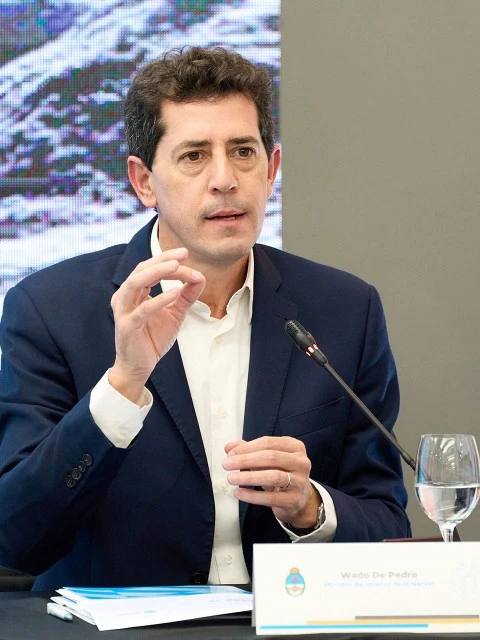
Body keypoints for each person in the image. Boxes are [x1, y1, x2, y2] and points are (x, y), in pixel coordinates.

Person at [0, 47, 410, 590]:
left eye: (243, 151)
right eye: (194, 156)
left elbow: (387, 523)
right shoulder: (50, 309)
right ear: (144, 181)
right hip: (118, 626)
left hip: (282, 618)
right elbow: (17, 538)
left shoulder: (345, 309)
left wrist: (310, 509)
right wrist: (122, 385)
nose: (225, 179)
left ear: (272, 168)